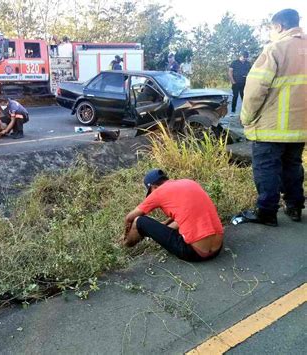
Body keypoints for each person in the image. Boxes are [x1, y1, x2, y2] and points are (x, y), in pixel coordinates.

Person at [239, 9, 306, 225]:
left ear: (278, 26)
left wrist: (247, 117)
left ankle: (266, 213)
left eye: (271, 28)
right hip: (300, 127)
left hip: (271, 127)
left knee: (267, 168)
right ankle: (295, 207)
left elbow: (255, 89)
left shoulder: (275, 49)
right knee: (293, 166)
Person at [120, 169, 224, 262]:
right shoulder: (189, 183)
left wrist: (125, 234)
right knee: (173, 225)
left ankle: (124, 245)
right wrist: (163, 225)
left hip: (195, 253)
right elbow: (185, 215)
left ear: (153, 187)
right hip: (217, 248)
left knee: (139, 221)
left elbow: (129, 218)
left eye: (150, 192)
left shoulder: (158, 192)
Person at [228, 50, 251, 116]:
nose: (245, 59)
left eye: (246, 58)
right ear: (241, 56)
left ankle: (245, 112)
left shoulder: (248, 63)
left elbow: (251, 72)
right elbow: (230, 72)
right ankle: (233, 111)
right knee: (235, 97)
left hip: (244, 83)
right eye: (244, 57)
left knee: (244, 97)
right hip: (235, 83)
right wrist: (233, 81)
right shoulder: (234, 62)